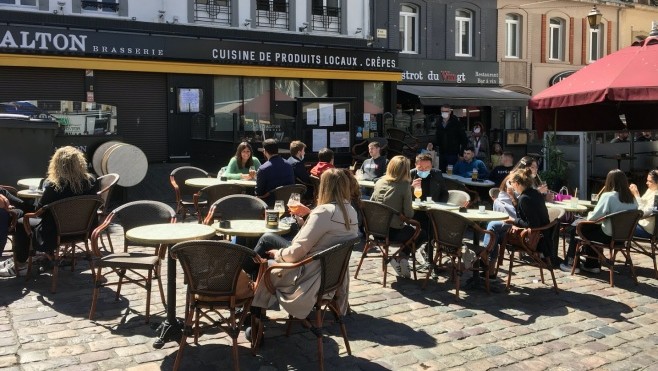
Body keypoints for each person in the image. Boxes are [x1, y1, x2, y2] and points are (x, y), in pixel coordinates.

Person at [249, 168, 358, 321]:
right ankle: (247, 285)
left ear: (324, 187)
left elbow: (296, 253)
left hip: (308, 274)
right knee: (268, 240)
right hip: (331, 275)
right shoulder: (350, 211)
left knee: (266, 244)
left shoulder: (324, 212)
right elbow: (327, 236)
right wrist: (309, 215)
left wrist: (278, 253)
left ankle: (251, 308)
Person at [6, 146, 98, 277]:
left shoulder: (54, 187)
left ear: (56, 165)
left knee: (22, 222)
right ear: (80, 163)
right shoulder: (92, 182)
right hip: (83, 230)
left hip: (54, 233)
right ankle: (39, 256)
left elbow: (39, 211)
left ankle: (21, 263)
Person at [560, 169, 638, 274]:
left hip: (607, 236)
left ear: (609, 181)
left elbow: (594, 217)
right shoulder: (633, 199)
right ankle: (592, 265)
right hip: (624, 238)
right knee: (591, 229)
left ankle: (571, 263)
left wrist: (585, 217)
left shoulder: (608, 196)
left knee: (577, 228)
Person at [370, 155, 417, 278]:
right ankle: (402, 257)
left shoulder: (379, 181)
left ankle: (398, 258)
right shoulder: (404, 185)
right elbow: (409, 214)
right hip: (392, 232)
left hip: (375, 230)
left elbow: (371, 204)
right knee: (421, 233)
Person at [504, 168, 552, 259]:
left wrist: (513, 220)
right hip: (545, 235)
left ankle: (488, 257)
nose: (512, 186)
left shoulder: (524, 198)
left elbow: (531, 224)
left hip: (536, 240)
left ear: (517, 184)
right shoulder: (535, 193)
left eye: (512, 183)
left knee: (497, 229)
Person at [255, 139, 295, 207]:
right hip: (288, 202)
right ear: (277, 150)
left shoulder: (263, 169)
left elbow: (259, 193)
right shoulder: (289, 165)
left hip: (270, 203)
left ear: (264, 151)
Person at [429, 104, 468, 172]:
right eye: (442, 111)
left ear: (450, 112)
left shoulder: (456, 123)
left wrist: (462, 153)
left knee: (452, 173)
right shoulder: (439, 123)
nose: (444, 113)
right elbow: (438, 137)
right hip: (442, 153)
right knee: (442, 173)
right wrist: (432, 143)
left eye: (446, 111)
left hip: (453, 153)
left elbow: (464, 139)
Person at [630, 169, 658, 238]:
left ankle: (616, 245)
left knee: (619, 225)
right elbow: (640, 203)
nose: (646, 183)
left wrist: (636, 195)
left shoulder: (656, 195)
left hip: (648, 230)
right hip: (640, 223)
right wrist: (634, 194)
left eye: (650, 181)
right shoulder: (651, 190)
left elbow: (643, 212)